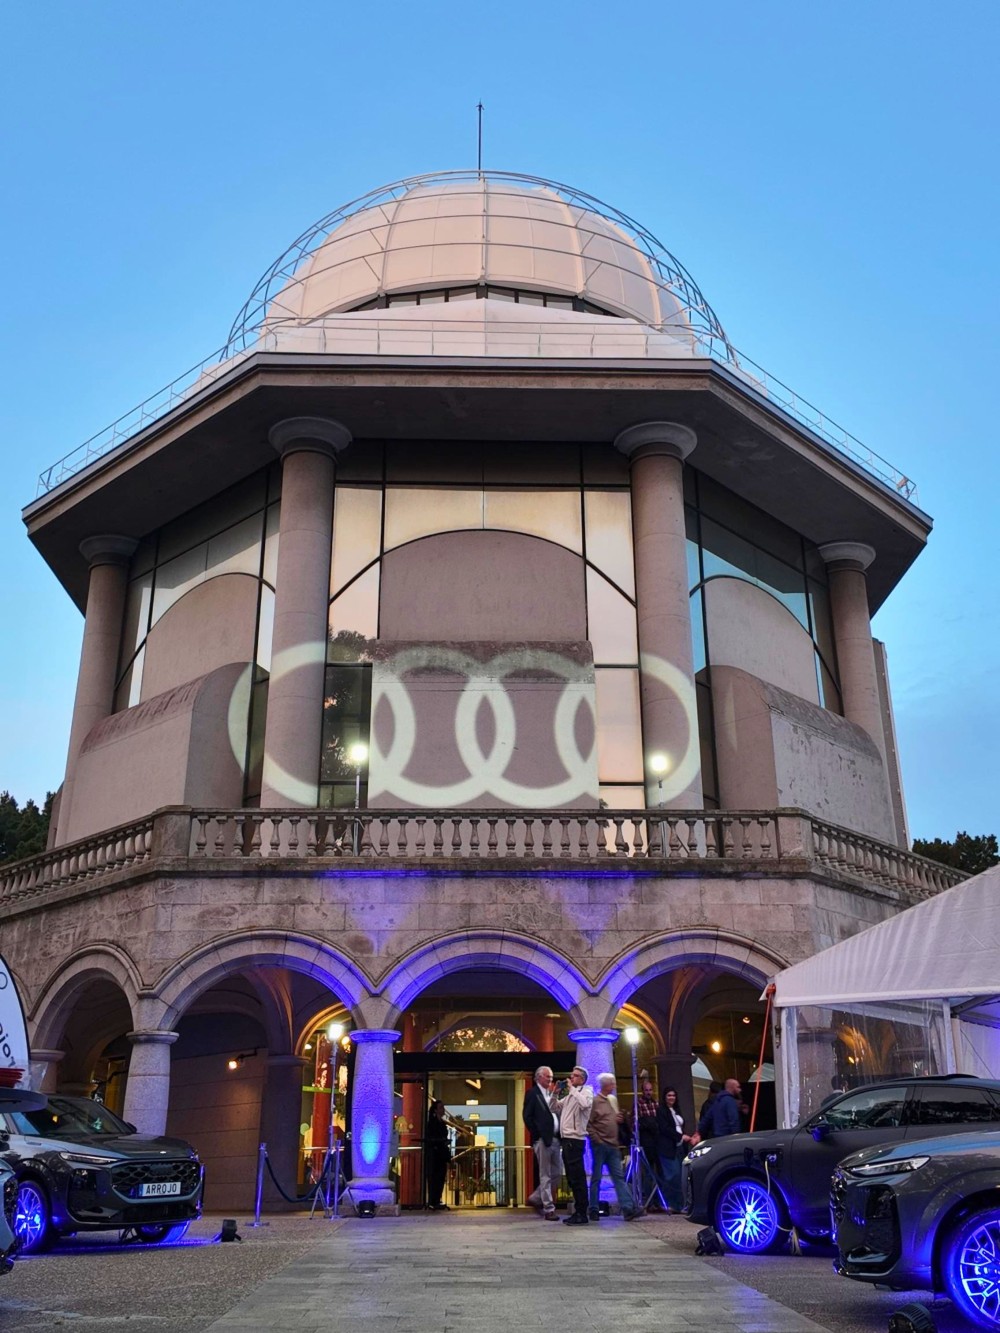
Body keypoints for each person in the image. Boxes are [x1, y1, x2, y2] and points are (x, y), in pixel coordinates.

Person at [587, 1073, 640, 1221]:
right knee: (596, 1177)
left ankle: (628, 1208)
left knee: (619, 1178)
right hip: (600, 1146)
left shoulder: (612, 1100)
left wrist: (618, 1120)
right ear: (606, 1085)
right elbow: (588, 1123)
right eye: (613, 1083)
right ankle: (593, 1208)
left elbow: (612, 1119)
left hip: (613, 1146)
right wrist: (597, 1139)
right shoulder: (595, 1102)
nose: (615, 1086)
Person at [522, 1064, 562, 1219]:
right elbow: (527, 1116)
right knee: (545, 1174)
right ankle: (548, 1208)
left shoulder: (551, 1093)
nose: (550, 1078)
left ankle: (536, 1198)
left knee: (557, 1173)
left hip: (555, 1139)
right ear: (539, 1077)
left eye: (551, 1076)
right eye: (547, 1076)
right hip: (542, 1139)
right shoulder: (532, 1093)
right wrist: (538, 1134)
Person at [558, 1065, 593, 1225]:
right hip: (566, 1139)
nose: (571, 1078)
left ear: (582, 1079)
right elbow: (554, 1107)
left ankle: (582, 1212)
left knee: (578, 1177)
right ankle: (578, 1211)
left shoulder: (586, 1092)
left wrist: (572, 1089)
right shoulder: (571, 1096)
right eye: (571, 1076)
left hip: (575, 1140)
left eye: (575, 1076)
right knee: (572, 1177)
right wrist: (554, 1093)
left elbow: (585, 1104)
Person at [655, 1087, 694, 1211]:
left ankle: (679, 1204)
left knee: (679, 1176)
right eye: (669, 1095)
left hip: (679, 1147)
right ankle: (669, 1203)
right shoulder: (661, 1111)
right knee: (672, 1176)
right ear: (664, 1097)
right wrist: (681, 1136)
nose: (671, 1098)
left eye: (673, 1095)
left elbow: (679, 1126)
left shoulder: (676, 1110)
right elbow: (665, 1128)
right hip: (667, 1148)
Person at [633, 1077, 667, 1209]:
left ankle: (659, 1200)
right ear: (642, 1091)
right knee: (648, 1172)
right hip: (647, 1142)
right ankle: (649, 1201)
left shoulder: (655, 1104)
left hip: (657, 1141)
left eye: (650, 1090)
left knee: (659, 1172)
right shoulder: (639, 1104)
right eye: (646, 1090)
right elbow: (637, 1122)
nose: (648, 1092)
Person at [424, 1099, 452, 1210]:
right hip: (435, 1154)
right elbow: (432, 1136)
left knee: (441, 1177)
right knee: (434, 1177)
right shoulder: (432, 1122)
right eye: (441, 1107)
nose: (443, 1109)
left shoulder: (442, 1123)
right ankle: (433, 1200)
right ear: (436, 1110)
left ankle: (437, 1199)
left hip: (441, 1154)